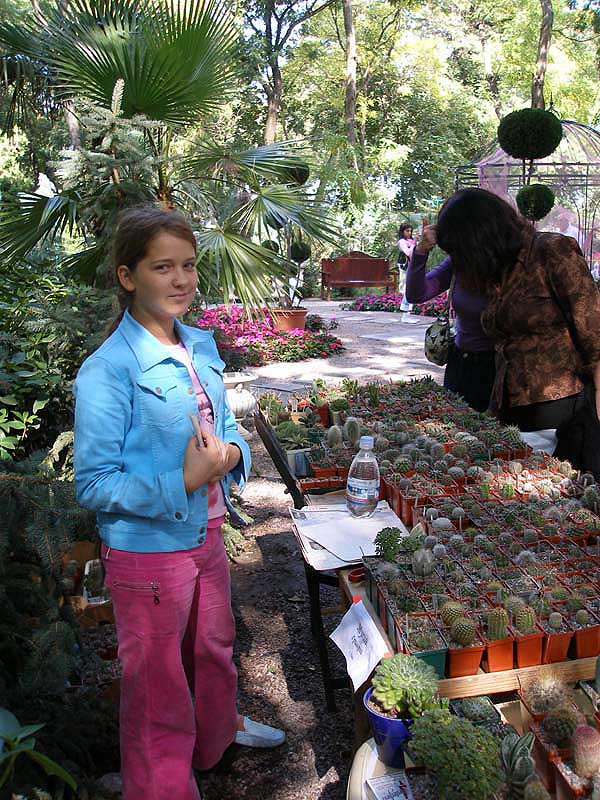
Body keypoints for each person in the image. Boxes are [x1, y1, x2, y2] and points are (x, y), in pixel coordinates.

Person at [73, 206, 285, 800]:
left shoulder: (198, 343)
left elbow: (224, 428)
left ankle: (215, 738)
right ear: (127, 276)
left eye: (188, 265)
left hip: (205, 534)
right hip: (147, 554)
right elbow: (93, 484)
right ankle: (161, 786)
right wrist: (183, 481)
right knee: (156, 683)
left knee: (213, 646)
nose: (181, 279)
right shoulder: (108, 370)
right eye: (162, 267)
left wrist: (233, 455)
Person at [404, 192, 499, 412]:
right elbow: (416, 294)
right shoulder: (458, 261)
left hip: (494, 368)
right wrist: (421, 250)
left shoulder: (510, 264)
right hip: (459, 364)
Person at [397, 222, 415, 313]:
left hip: (413, 266)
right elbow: (408, 252)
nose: (409, 233)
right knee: (408, 287)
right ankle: (405, 309)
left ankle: (408, 310)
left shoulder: (411, 241)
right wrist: (414, 244)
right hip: (406, 266)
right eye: (407, 231)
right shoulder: (402, 242)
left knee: (412, 286)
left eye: (410, 231)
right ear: (402, 231)